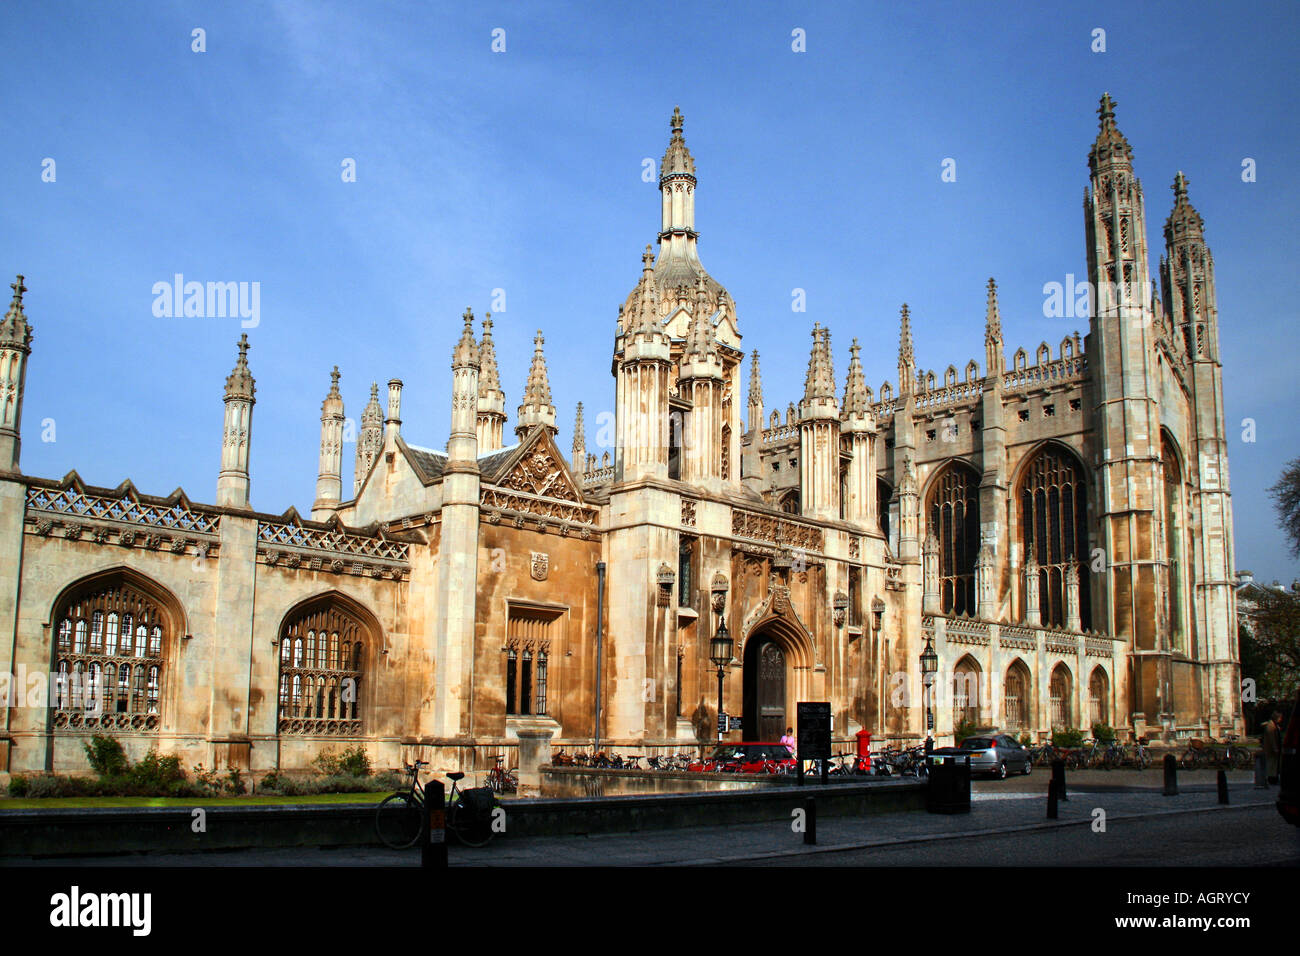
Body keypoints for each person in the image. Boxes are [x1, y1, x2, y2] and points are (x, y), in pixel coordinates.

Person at [1262, 710, 1284, 785]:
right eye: (1280, 718)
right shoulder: (1271, 726)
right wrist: (1275, 748)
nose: (1281, 719)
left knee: (1274, 764)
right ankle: (1272, 778)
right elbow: (1272, 739)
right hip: (1271, 750)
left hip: (1273, 748)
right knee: (1272, 764)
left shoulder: (1274, 725)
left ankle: (1274, 777)